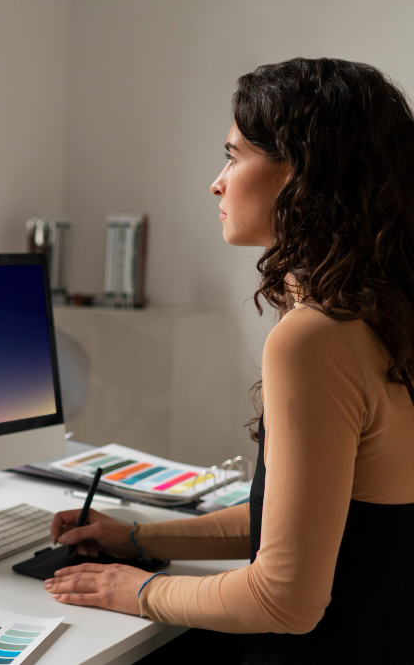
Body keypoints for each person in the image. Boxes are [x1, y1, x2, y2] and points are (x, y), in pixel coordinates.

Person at [45, 58, 414, 664]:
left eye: (235, 156)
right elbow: (304, 527)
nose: (217, 182)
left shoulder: (314, 340)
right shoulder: (385, 323)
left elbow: (285, 599)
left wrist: (135, 590)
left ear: (301, 175)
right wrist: (134, 537)